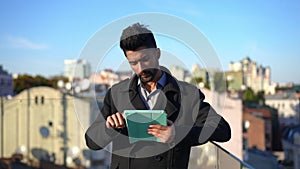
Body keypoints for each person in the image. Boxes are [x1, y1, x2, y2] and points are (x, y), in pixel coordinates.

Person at [85, 23, 231, 169]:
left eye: (145, 59)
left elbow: (222, 130)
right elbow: (91, 142)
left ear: (157, 53)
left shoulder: (187, 94)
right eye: (133, 63)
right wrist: (108, 127)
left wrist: (177, 134)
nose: (141, 69)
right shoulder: (116, 93)